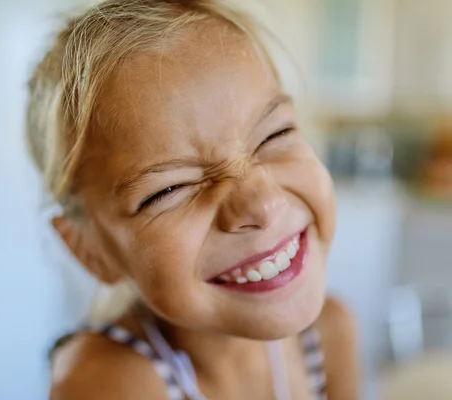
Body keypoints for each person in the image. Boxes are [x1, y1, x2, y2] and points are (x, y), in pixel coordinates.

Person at [27, 1, 360, 398]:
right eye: (170, 189)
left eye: (275, 135)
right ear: (89, 250)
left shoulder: (328, 334)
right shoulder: (110, 382)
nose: (261, 203)